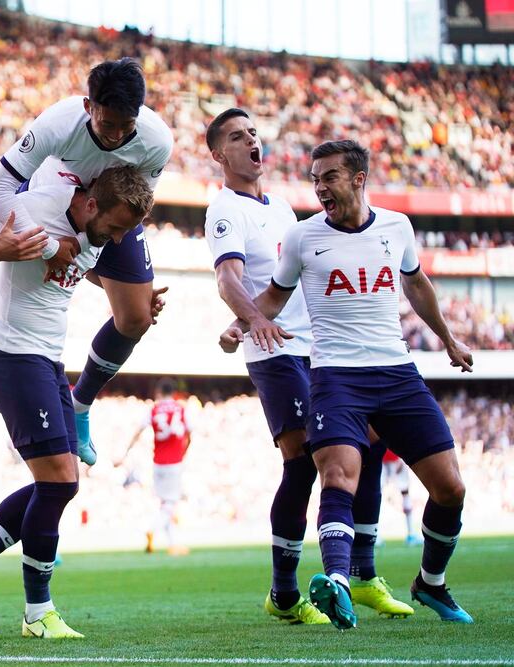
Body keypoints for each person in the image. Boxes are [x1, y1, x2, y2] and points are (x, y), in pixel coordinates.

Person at [0, 158, 154, 639]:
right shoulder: (32, 212)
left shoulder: (98, 233)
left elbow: (83, 261)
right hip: (13, 357)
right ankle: (32, 609)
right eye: (117, 227)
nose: (121, 240)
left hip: (45, 360)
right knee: (60, 483)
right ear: (88, 203)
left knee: (62, 485)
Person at [244, 139, 474, 628]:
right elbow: (274, 296)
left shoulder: (397, 226)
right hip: (336, 379)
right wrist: (241, 323)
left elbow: (415, 283)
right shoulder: (303, 238)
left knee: (451, 489)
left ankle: (430, 583)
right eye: (315, 178)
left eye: (328, 176)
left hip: (397, 375)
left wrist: (449, 340)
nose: (320, 187)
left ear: (358, 178)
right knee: (337, 476)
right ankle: (340, 583)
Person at [207, 110, 411, 624]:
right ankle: (283, 594)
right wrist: (252, 323)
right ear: (219, 156)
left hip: (319, 347)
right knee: (301, 460)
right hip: (274, 350)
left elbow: (296, 273)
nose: (252, 140)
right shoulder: (224, 210)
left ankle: (362, 577)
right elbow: (230, 278)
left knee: (367, 441)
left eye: (254, 131)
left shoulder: (281, 208)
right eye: (237, 136)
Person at [0, 57, 173, 466]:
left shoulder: (156, 141)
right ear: (87, 107)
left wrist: (82, 255)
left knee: (137, 316)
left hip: (109, 207)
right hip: (56, 192)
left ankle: (81, 404)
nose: (116, 137)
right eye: (107, 124)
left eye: (126, 126)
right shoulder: (57, 124)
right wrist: (50, 247)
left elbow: (134, 208)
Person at [119, 378, 191, 556]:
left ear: (159, 392)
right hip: (174, 462)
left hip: (158, 462)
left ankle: (173, 544)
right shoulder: (181, 409)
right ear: (173, 392)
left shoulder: (153, 410)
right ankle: (151, 529)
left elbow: (138, 431)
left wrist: (126, 452)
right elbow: (190, 433)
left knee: (166, 504)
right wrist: (183, 452)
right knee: (170, 504)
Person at [381, 449, 423, 546]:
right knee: (405, 493)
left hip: (381, 454)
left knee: (377, 494)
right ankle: (411, 534)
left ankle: (375, 535)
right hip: (395, 454)